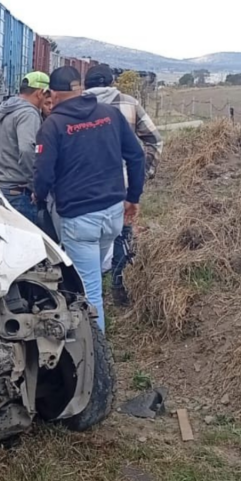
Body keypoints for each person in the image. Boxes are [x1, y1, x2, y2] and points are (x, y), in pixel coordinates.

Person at [33, 66, 146, 332]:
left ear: (53, 94)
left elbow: (43, 174)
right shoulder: (110, 115)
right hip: (113, 214)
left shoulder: (53, 125)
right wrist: (133, 197)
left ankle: (97, 357)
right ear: (80, 89)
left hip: (80, 218)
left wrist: (39, 198)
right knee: (94, 270)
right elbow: (137, 156)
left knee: (89, 291)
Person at [84, 64, 163, 306]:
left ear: (86, 84)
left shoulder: (74, 106)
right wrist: (142, 174)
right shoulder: (129, 103)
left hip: (81, 187)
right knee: (121, 235)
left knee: (84, 241)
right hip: (122, 186)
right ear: (111, 82)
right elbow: (154, 140)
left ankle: (85, 295)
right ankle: (119, 288)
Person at [0, 72, 50, 225]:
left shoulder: (3, 109)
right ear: (40, 93)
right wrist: (35, 186)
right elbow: (27, 150)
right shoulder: (28, 113)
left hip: (1, 188)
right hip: (20, 193)